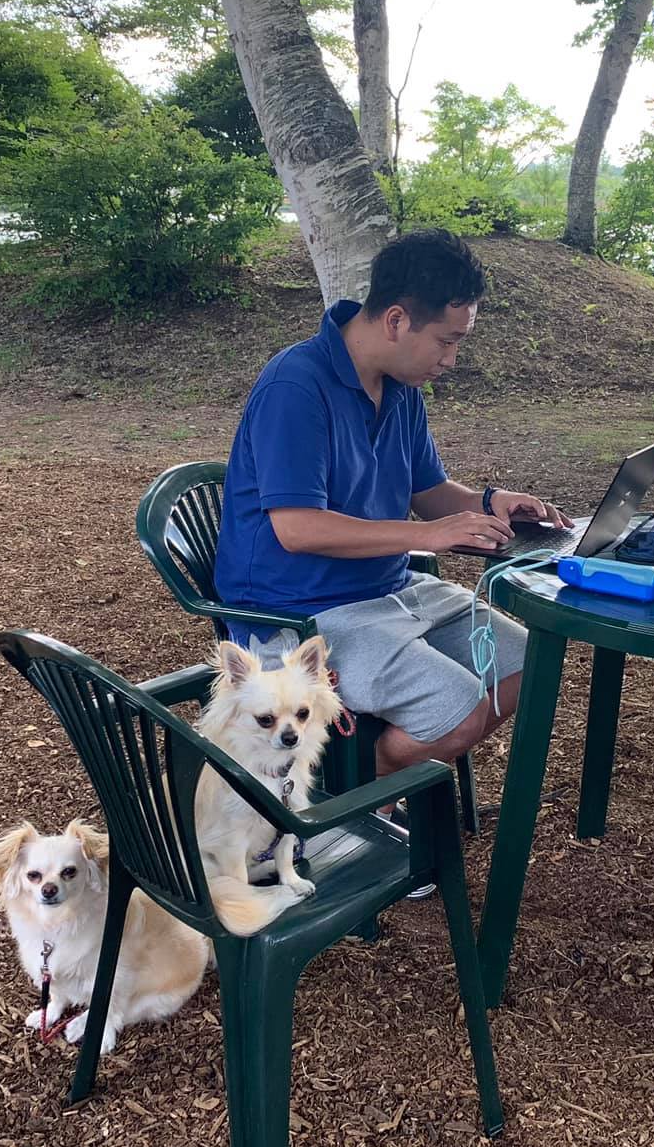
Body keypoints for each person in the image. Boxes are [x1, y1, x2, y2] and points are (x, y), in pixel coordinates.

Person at [214, 227, 566, 793]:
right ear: (397, 320)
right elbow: (297, 528)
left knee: (527, 664)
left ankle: (372, 783)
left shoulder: (401, 388)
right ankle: (351, 793)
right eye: (446, 341)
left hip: (391, 589)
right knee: (457, 709)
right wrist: (430, 535)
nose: (451, 360)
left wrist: (489, 503)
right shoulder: (295, 386)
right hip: (299, 612)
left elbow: (428, 491)